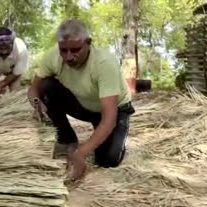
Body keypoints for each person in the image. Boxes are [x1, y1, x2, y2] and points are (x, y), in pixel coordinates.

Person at [28, 19, 135, 180]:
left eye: (75, 50)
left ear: (88, 43)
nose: (69, 57)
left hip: (114, 110)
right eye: (63, 50)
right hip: (84, 105)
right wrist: (37, 103)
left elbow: (109, 119)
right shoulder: (53, 56)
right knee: (47, 86)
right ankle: (67, 139)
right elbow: (34, 88)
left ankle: (107, 133)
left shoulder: (104, 62)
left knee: (108, 160)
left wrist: (80, 154)